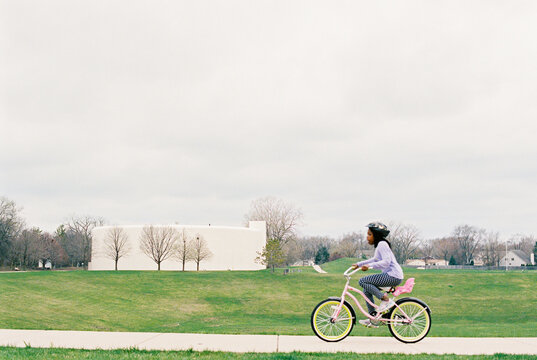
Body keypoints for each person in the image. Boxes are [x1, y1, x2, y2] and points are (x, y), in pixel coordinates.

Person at [352, 222, 404, 328]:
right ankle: (373, 318)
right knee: (366, 290)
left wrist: (369, 266)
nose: (367, 237)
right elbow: (375, 259)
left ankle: (385, 299)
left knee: (362, 281)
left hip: (393, 276)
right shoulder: (380, 245)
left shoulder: (382, 244)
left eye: (369, 234)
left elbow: (386, 262)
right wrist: (359, 264)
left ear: (376, 235)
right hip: (391, 276)